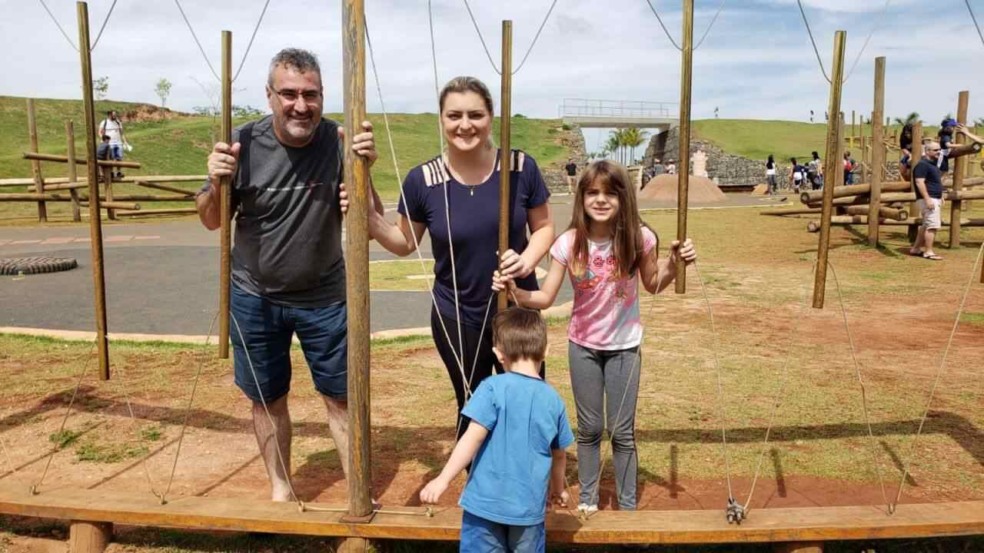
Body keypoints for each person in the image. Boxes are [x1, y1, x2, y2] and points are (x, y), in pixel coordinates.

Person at [196, 48, 378, 502]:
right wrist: (217, 180)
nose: (301, 105)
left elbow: (371, 216)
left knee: (342, 395)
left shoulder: (340, 141)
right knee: (266, 396)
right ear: (270, 95)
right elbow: (212, 220)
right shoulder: (242, 143)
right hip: (255, 295)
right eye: (290, 94)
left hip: (325, 295)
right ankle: (281, 486)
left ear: (322, 95)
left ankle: (358, 487)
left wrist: (364, 171)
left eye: (310, 94)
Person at [493, 160, 696, 513]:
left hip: (625, 347)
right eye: (592, 192)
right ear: (581, 198)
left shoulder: (639, 238)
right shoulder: (569, 243)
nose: (600, 200)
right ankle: (588, 501)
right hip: (583, 346)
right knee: (588, 429)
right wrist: (515, 292)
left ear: (623, 198)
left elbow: (653, 283)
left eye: (609, 193)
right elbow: (543, 297)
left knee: (622, 431)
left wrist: (676, 264)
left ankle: (628, 506)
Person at [364, 76, 554, 442]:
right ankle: (480, 486)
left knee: (526, 402)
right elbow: (404, 242)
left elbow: (544, 228)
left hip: (518, 309)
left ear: (491, 117)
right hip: (457, 313)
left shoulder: (519, 168)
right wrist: (369, 217)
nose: (465, 125)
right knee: (474, 404)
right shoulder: (423, 180)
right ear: (441, 119)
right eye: (454, 115)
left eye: (475, 115)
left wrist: (527, 261)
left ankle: (527, 481)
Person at [420, 307, 574, 553]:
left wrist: (443, 480)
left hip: (484, 505)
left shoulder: (490, 388)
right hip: (528, 510)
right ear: (545, 351)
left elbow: (471, 438)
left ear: (498, 354)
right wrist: (558, 491)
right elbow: (559, 455)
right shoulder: (553, 400)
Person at [909, 141, 945, 261]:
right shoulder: (922, 165)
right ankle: (928, 251)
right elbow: (919, 182)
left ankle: (916, 248)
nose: (938, 152)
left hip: (934, 198)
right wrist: (927, 198)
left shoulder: (931, 164)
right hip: (929, 199)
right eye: (935, 150)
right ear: (927, 151)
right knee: (932, 226)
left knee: (926, 225)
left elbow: (934, 182)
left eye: (939, 149)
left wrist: (940, 196)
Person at [98, 110, 128, 179]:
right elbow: (100, 132)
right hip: (109, 143)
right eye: (113, 115)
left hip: (118, 142)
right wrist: (104, 139)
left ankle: (118, 172)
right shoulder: (104, 122)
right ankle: (110, 172)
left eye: (115, 115)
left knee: (119, 157)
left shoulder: (118, 122)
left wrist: (125, 141)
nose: (115, 116)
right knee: (110, 158)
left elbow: (122, 133)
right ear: (109, 115)